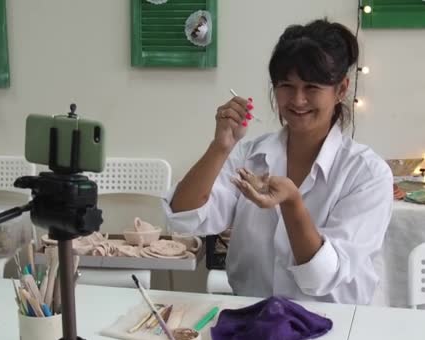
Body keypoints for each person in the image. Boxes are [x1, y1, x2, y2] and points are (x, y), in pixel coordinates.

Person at [163, 19, 393, 305]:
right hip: (252, 317)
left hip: (331, 324)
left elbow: (321, 277)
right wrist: (220, 146)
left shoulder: (366, 173)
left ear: (341, 89)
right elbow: (185, 219)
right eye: (286, 85)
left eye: (312, 87)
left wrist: (292, 203)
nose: (297, 100)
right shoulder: (249, 155)